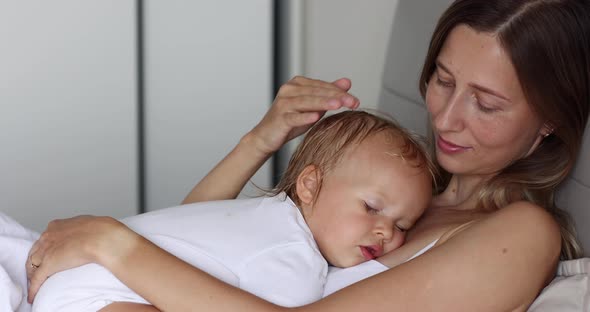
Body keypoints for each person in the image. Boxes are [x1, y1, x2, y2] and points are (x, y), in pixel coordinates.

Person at [26, 0, 590, 311]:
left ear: (548, 120)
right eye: (442, 81)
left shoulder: (521, 232)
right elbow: (194, 245)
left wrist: (113, 243)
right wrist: (261, 141)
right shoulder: (400, 182)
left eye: (486, 104)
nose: (445, 119)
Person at [30, 110, 435, 311]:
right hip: (103, 295)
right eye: (372, 208)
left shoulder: (258, 216)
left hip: (75, 281)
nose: (386, 233)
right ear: (310, 185)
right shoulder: (293, 255)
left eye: (403, 225)